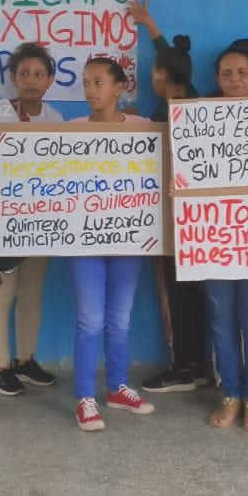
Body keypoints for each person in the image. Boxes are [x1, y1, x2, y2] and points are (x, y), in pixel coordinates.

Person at [129, 0, 211, 394]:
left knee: (179, 296)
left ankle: (185, 365)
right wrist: (151, 26)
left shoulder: (169, 114)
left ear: (164, 75)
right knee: (194, 294)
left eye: (154, 71)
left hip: (176, 220)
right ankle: (201, 363)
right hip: (195, 220)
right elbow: (173, 58)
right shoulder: (192, 100)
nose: (150, 76)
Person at [71, 57, 156, 431]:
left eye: (99, 82)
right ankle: (85, 396)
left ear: (119, 87)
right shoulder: (69, 131)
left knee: (119, 319)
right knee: (91, 318)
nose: (91, 90)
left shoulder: (143, 128)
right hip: (81, 239)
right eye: (86, 83)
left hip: (130, 236)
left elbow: (160, 171)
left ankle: (118, 387)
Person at [201, 45, 248, 432]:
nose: (234, 80)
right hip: (213, 234)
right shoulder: (199, 118)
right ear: (217, 79)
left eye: (241, 72)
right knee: (220, 318)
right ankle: (230, 393)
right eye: (226, 73)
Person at [0, 42, 64, 396]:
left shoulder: (56, 119)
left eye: (39, 75)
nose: (31, 81)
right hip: (2, 220)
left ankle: (25, 360)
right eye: (24, 74)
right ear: (13, 78)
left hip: (41, 220)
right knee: (3, 291)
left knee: (32, 291)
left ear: (49, 80)